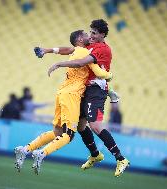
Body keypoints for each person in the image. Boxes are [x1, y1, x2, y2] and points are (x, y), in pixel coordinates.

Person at [14, 30, 113, 174]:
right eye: (86, 34)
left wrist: (47, 50)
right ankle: (42, 153)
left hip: (61, 93)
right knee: (69, 135)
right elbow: (100, 73)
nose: (89, 36)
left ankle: (25, 149)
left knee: (57, 132)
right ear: (80, 39)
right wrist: (110, 76)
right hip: (72, 95)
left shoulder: (76, 50)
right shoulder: (86, 54)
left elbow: (66, 49)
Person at [45, 19, 129, 177]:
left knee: (96, 126)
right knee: (81, 126)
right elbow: (70, 49)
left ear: (102, 35)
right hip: (86, 90)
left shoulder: (103, 49)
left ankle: (121, 158)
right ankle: (96, 155)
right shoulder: (90, 45)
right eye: (90, 32)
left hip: (96, 91)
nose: (90, 35)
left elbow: (82, 62)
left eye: (94, 33)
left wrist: (59, 64)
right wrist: (48, 50)